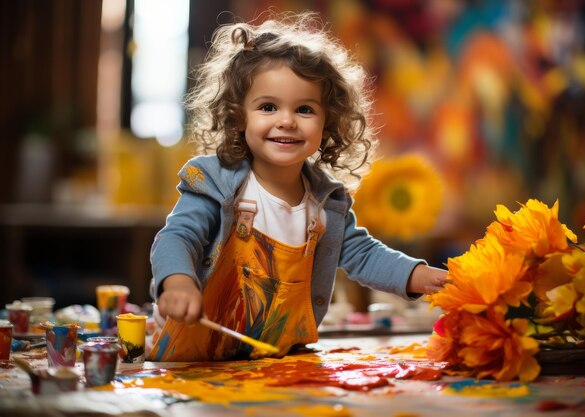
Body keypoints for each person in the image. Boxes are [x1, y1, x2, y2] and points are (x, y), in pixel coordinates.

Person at [148, 11, 448, 361]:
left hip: (275, 361)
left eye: (304, 109)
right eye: (269, 107)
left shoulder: (325, 203)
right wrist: (178, 281)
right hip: (198, 355)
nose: (287, 121)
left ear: (328, 122)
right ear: (239, 114)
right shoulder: (216, 183)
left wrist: (420, 275)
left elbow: (363, 254)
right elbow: (176, 237)